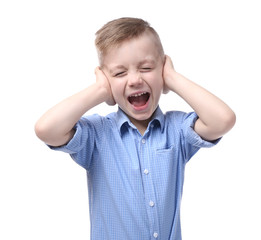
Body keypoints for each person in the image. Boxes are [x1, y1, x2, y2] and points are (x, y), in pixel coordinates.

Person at [35, 17, 236, 240]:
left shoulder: (176, 129)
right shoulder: (98, 135)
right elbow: (46, 129)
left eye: (147, 68)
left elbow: (222, 120)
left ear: (162, 70)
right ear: (105, 78)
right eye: (119, 73)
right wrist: (100, 90)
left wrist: (172, 77)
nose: (134, 80)